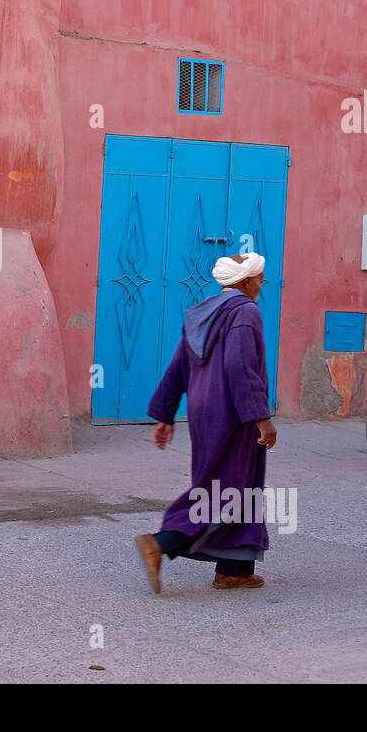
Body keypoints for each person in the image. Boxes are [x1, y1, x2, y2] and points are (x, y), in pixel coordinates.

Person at [135, 252, 277, 593]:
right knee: (227, 488)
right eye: (260, 278)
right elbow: (240, 368)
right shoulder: (246, 311)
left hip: (205, 412)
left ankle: (234, 569)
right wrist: (262, 417)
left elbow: (178, 366)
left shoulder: (203, 313)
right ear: (245, 282)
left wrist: (165, 415)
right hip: (235, 414)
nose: (262, 284)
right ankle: (163, 542)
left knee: (239, 487)